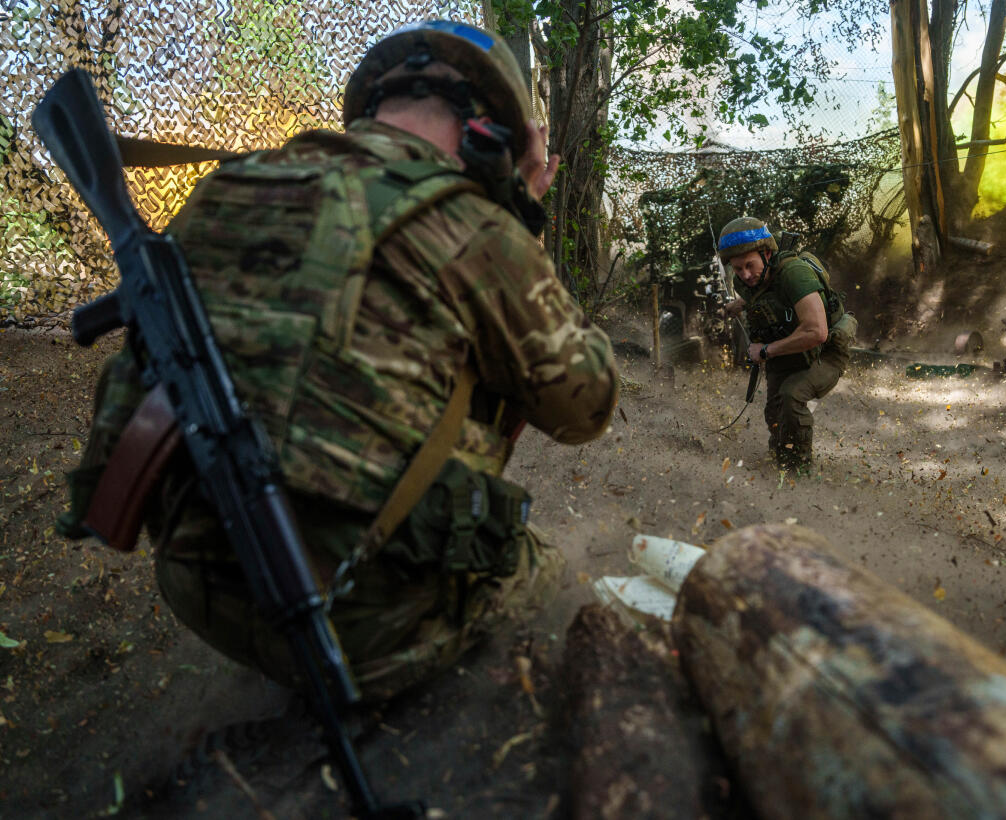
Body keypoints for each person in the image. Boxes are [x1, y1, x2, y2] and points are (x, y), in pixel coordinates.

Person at [58, 20, 618, 701]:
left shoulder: (226, 186)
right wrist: (518, 220)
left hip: (198, 581)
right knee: (560, 588)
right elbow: (584, 407)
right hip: (369, 617)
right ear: (492, 133)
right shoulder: (471, 225)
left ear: (371, 106)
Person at [717, 217, 856, 472]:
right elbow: (766, 294)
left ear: (767, 253)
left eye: (750, 265)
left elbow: (817, 332)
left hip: (824, 352)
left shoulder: (795, 274)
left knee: (792, 396)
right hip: (790, 352)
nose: (745, 275)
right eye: (738, 269)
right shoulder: (747, 281)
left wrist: (765, 350)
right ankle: (780, 460)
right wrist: (741, 304)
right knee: (774, 413)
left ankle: (798, 471)